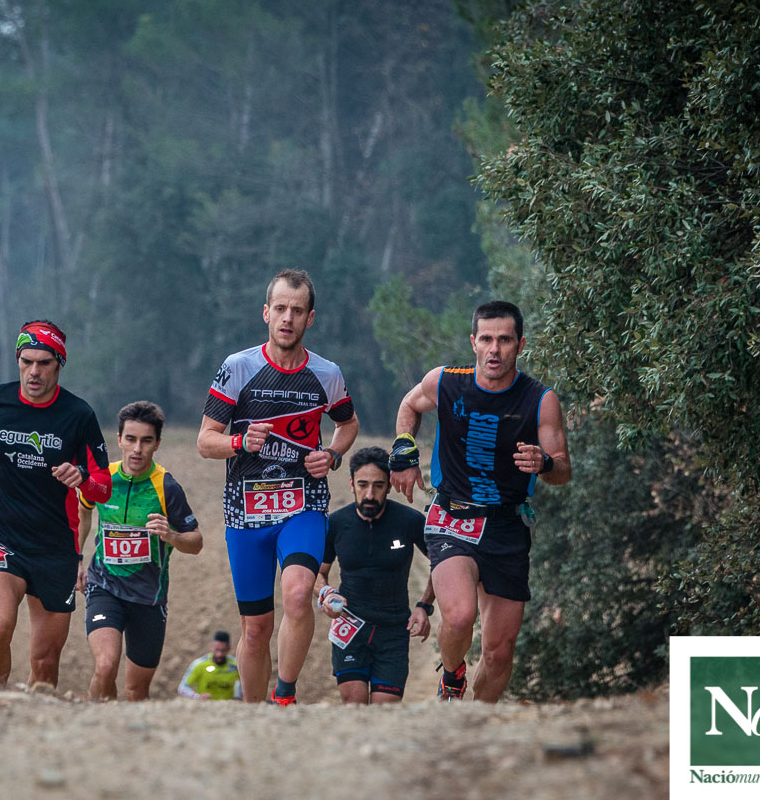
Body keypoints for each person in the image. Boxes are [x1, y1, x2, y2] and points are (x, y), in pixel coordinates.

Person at [391, 301, 571, 702]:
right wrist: (403, 451)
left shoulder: (540, 400)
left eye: (504, 340)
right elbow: (408, 405)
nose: (495, 350)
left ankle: (478, 722)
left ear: (520, 345)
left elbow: (563, 470)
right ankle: (453, 676)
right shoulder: (445, 382)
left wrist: (543, 463)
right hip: (453, 514)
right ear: (473, 342)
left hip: (507, 525)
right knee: (459, 615)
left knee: (499, 652)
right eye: (486, 339)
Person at [197, 269, 359, 705]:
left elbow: (348, 423)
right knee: (255, 629)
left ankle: (284, 694)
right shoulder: (238, 367)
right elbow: (204, 441)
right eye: (281, 308)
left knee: (300, 593)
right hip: (245, 513)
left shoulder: (327, 374)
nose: (288, 318)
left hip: (302, 506)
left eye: (297, 311)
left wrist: (335, 455)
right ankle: (254, 716)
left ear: (310, 319)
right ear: (266, 313)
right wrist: (237, 441)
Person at [0, 320, 112, 688]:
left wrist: (83, 480)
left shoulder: (79, 415)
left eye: (44, 363)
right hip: (2, 536)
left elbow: (104, 488)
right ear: (17, 360)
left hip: (55, 547)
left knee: (44, 662)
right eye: (26, 361)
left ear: (59, 364)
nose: (34, 371)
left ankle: (33, 726)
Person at [78, 401, 202, 701]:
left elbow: (196, 542)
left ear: (157, 443)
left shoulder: (167, 486)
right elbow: (82, 515)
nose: (137, 449)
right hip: (104, 587)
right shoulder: (102, 479)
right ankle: (96, 727)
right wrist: (77, 559)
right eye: (130, 439)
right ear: (119, 439)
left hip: (149, 598)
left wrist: (171, 534)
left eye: (146, 441)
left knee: (136, 690)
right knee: (105, 665)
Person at [314, 447, 434, 704]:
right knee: (354, 705)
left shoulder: (409, 521)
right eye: (363, 485)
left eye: (378, 485)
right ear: (351, 484)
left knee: (384, 711)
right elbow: (318, 574)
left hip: (393, 631)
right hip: (350, 626)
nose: (370, 494)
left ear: (389, 485)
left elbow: (443, 563)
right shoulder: (335, 524)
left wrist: (424, 606)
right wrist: (326, 592)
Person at [178, 631, 242, 700]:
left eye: (223, 650)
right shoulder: (199, 664)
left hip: (228, 708)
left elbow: (247, 685)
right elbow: (182, 688)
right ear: (211, 647)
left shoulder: (236, 665)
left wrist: (238, 697)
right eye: (217, 650)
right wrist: (197, 697)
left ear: (229, 649)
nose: (219, 654)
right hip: (205, 707)